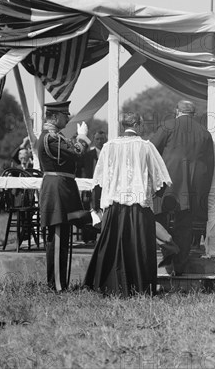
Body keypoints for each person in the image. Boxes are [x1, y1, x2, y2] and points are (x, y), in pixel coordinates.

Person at [84, 113, 172, 296]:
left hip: (114, 206)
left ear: (123, 126)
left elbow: (98, 181)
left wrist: (98, 208)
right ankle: (139, 286)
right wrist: (150, 193)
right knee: (139, 247)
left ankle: (109, 286)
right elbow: (162, 180)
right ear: (138, 125)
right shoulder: (146, 147)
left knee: (113, 245)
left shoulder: (108, 147)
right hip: (139, 207)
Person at [150, 100, 215, 275]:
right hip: (194, 188)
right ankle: (179, 265)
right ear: (194, 114)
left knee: (157, 219)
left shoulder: (167, 126)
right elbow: (210, 165)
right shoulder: (204, 133)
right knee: (185, 226)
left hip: (167, 186)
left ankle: (168, 250)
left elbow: (151, 152)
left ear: (177, 111)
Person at [38, 101, 90, 291]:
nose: (67, 118)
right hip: (57, 190)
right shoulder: (51, 138)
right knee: (58, 239)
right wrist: (82, 137)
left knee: (62, 237)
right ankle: (57, 286)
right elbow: (77, 154)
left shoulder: (55, 137)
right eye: (65, 115)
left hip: (61, 188)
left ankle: (60, 283)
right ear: (54, 116)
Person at [78, 130, 107, 244]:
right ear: (94, 140)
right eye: (98, 139)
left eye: (102, 139)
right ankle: (88, 238)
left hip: (104, 189)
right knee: (88, 211)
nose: (100, 141)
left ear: (106, 140)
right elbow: (79, 168)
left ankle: (103, 239)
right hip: (89, 188)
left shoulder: (108, 154)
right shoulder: (88, 155)